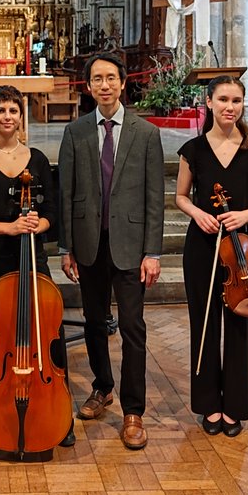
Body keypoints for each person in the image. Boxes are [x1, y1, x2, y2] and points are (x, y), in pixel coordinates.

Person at [58, 51, 164, 450]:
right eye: (97, 79)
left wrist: (152, 251)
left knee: (133, 327)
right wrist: (67, 247)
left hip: (131, 247)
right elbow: (67, 194)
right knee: (94, 322)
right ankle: (103, 387)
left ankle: (133, 410)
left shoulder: (146, 133)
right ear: (88, 86)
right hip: (88, 245)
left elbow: (155, 198)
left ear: (123, 83)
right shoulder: (76, 132)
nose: (104, 85)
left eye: (111, 78)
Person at [0, 85, 75, 449]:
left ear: (20, 115)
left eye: (13, 110)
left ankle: (58, 413)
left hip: (30, 254)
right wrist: (8, 227)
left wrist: (34, 226)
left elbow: (51, 215)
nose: (7, 117)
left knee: (45, 330)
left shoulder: (37, 159)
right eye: (0, 111)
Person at [174, 75, 248, 437]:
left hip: (243, 250)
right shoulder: (193, 150)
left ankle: (235, 406)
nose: (229, 107)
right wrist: (197, 213)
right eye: (223, 99)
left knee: (239, 324)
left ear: (242, 105)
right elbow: (181, 197)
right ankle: (208, 405)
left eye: (236, 101)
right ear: (208, 102)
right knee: (204, 325)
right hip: (202, 246)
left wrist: (245, 215)